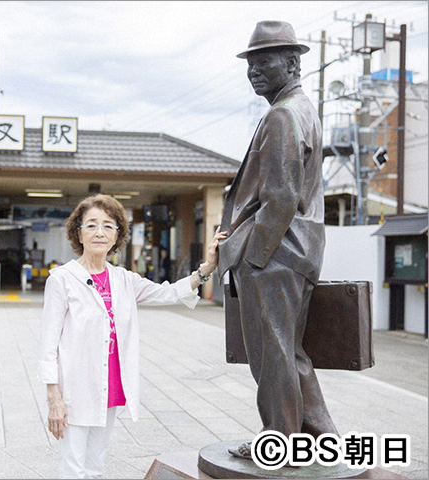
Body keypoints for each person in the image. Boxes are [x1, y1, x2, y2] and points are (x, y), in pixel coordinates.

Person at [38, 194, 227, 479]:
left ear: (117, 235)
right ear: (78, 233)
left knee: (95, 465)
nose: (99, 232)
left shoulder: (124, 280)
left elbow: (169, 292)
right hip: (75, 390)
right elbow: (48, 345)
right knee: (72, 467)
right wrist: (54, 400)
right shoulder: (62, 280)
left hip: (110, 386)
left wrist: (207, 269)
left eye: (108, 226)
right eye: (91, 225)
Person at [217, 21, 338, 459]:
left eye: (264, 62)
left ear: (292, 63)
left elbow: (281, 198)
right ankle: (324, 441)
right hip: (295, 252)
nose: (254, 71)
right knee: (289, 353)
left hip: (276, 254)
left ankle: (279, 441)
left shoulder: (284, 114)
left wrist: (253, 255)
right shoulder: (301, 107)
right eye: (250, 64)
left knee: (272, 357)